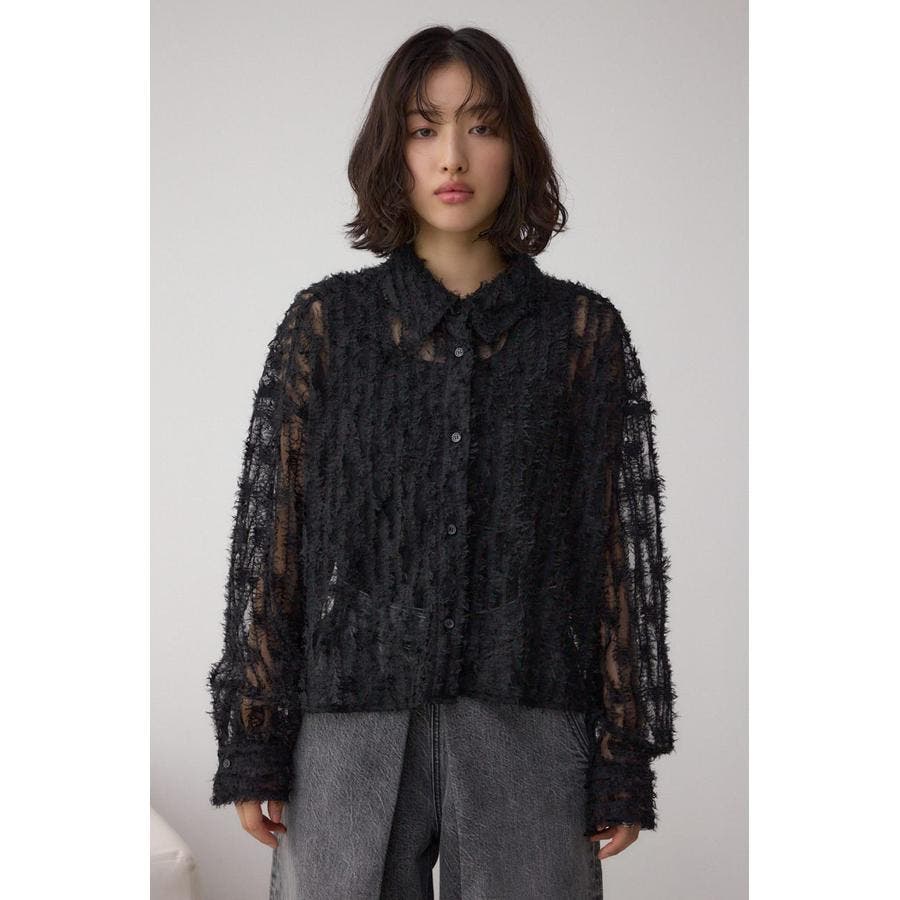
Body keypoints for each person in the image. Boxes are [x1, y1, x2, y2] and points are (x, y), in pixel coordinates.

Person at [207, 24, 677, 899]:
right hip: (348, 722)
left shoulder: (581, 333)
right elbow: (274, 540)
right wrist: (256, 735)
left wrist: (622, 755)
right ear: (394, 149)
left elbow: (616, 554)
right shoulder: (328, 325)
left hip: (528, 720)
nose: (452, 156)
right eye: (424, 128)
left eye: (482, 126)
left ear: (518, 147)